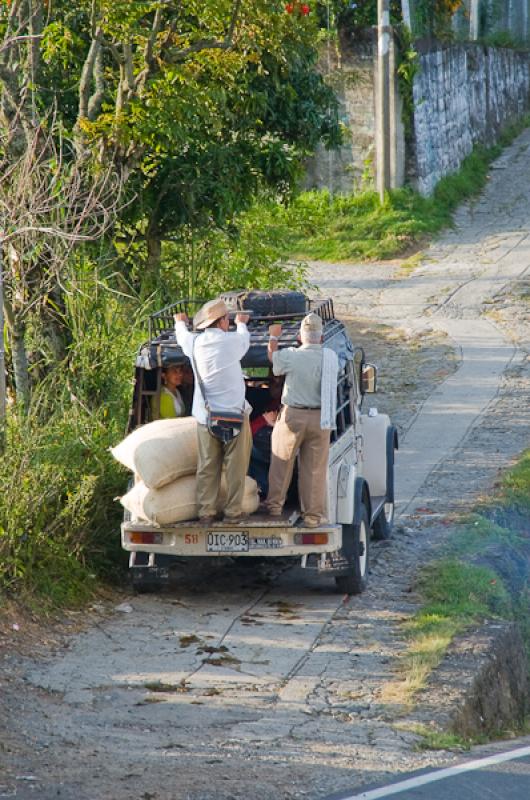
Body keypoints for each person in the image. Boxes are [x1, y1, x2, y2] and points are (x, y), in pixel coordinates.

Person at [174, 298, 252, 524]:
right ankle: (233, 513)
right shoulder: (232, 342)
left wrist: (180, 322)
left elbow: (182, 336)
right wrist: (242, 323)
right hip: (235, 416)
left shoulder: (195, 343)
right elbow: (244, 340)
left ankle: (206, 512)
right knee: (236, 469)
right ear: (222, 322)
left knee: (207, 466)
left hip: (206, 417)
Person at [265, 312, 339, 527]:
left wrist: (273, 337)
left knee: (281, 461)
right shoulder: (330, 357)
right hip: (320, 417)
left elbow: (272, 358)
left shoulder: (291, 355)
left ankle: (274, 507)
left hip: (293, 416)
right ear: (322, 338)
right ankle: (312, 517)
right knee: (314, 470)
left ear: (299, 336)